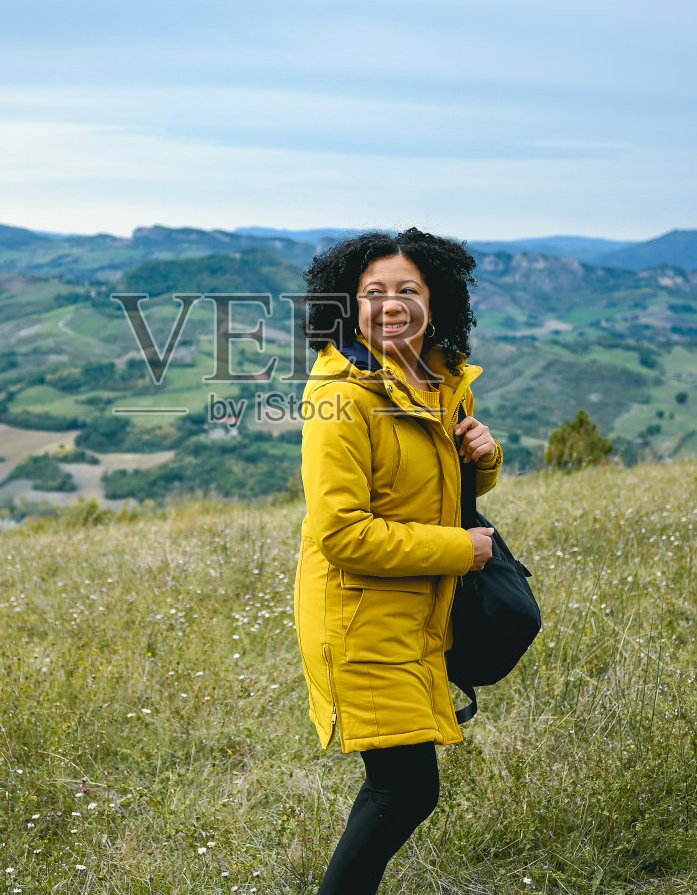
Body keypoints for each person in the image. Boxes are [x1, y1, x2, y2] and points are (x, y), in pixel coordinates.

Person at [292, 227, 503, 894]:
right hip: (359, 618)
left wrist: (484, 456)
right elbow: (342, 534)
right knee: (403, 788)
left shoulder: (439, 378)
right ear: (347, 304)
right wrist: (461, 551)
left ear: (434, 300)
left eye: (407, 290)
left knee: (401, 787)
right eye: (372, 292)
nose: (390, 305)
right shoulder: (341, 397)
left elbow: (438, 488)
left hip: (412, 610)